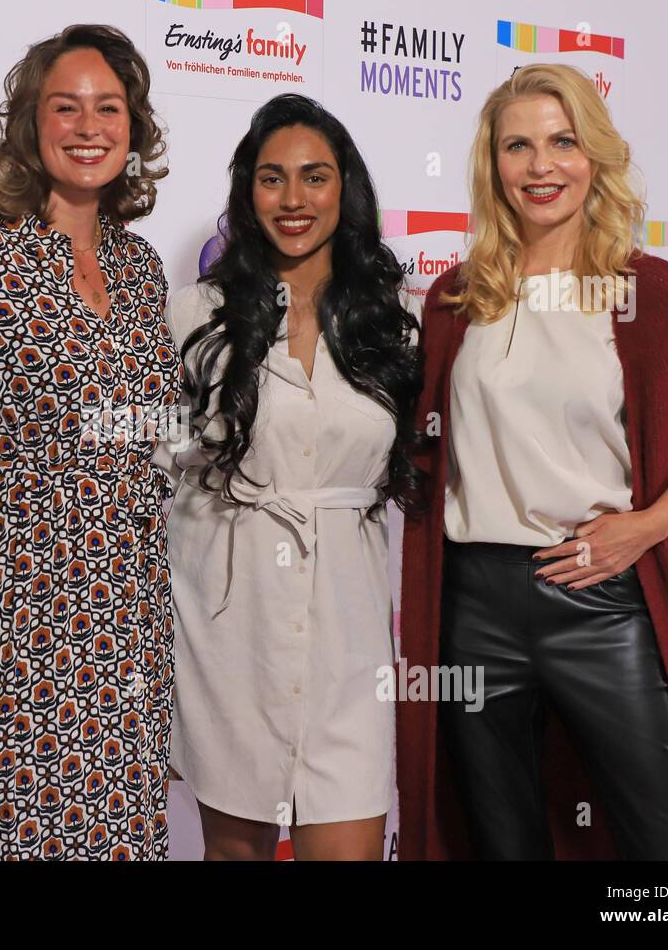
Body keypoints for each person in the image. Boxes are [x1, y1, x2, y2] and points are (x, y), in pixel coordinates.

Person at [396, 63, 668, 860]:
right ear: (491, 164)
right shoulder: (459, 297)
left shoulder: (646, 293)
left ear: (594, 155)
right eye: (517, 146)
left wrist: (649, 524)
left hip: (599, 598)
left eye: (562, 142)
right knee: (499, 841)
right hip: (472, 607)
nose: (540, 167)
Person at [0, 24, 180, 860]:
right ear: (31, 126)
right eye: (64, 107)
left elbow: (161, 436)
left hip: (131, 610)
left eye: (109, 108)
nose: (88, 125)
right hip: (16, 614)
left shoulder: (143, 271)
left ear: (133, 129)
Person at [156, 94, 423, 861]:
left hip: (350, 638)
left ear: (347, 188)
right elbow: (145, 459)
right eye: (272, 179)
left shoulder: (396, 321)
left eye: (315, 177)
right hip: (227, 629)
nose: (294, 199)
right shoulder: (191, 316)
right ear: (247, 193)